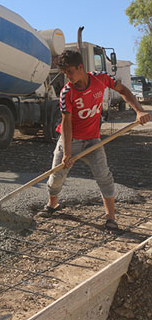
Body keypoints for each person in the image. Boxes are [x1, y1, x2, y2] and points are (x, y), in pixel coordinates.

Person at [40, 50, 150, 233]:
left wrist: (138, 111)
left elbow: (122, 90)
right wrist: (67, 153)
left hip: (93, 141)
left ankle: (111, 218)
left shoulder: (102, 79)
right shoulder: (67, 92)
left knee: (104, 176)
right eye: (65, 73)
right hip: (71, 140)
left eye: (69, 71)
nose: (67, 76)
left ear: (80, 67)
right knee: (57, 176)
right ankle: (53, 204)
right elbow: (67, 124)